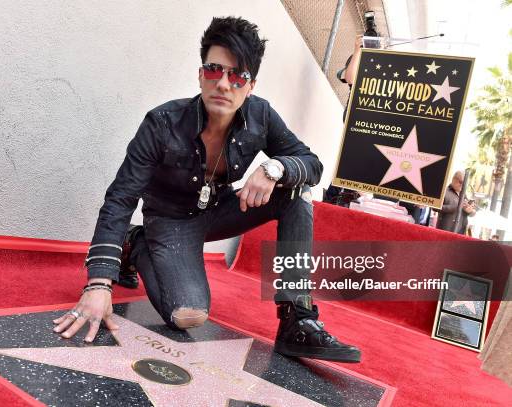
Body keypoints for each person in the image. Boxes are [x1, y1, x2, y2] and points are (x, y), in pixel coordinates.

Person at [52, 17, 361, 363]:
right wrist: (99, 283)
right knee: (189, 316)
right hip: (170, 222)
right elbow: (120, 198)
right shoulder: (162, 124)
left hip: (219, 210)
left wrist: (275, 168)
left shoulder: (261, 116)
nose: (224, 84)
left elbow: (311, 164)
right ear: (201, 75)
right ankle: (137, 243)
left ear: (251, 85)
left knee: (296, 193)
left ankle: (297, 319)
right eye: (214, 70)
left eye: (237, 75)